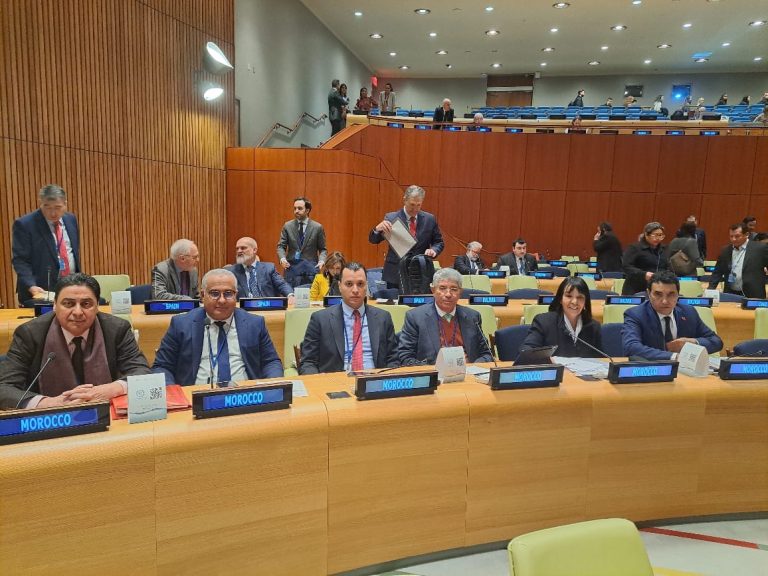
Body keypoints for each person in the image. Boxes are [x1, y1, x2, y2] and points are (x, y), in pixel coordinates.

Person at [0, 273, 150, 410]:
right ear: (54, 305)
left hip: (106, 415)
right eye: (68, 304)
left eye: (86, 304)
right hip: (50, 421)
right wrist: (48, 403)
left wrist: (110, 389)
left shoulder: (117, 329)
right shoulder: (30, 334)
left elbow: (142, 373)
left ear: (97, 306)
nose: (77, 312)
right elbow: (4, 388)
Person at [152, 268, 283, 385]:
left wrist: (272, 386)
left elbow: (271, 362)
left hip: (244, 396)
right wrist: (174, 394)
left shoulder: (255, 323)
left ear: (236, 295)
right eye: (214, 293)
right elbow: (162, 366)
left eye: (228, 293)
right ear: (203, 295)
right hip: (195, 396)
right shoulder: (181, 324)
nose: (222, 300)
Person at [299, 263, 399, 374]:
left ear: (366, 286)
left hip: (373, 380)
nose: (355, 290)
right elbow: (308, 362)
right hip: (335, 381)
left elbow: (393, 359)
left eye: (360, 284)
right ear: (340, 286)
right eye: (349, 284)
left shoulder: (383, 318)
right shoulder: (320, 319)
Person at [397, 267, 494, 366]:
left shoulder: (472, 317)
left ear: (460, 292)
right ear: (433, 290)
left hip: (468, 372)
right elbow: (405, 357)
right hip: (433, 372)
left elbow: (487, 354)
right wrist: (438, 367)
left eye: (454, 289)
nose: (448, 294)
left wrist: (472, 366)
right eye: (442, 288)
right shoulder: (415, 317)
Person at [622, 271, 723, 361]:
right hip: (652, 369)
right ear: (649, 294)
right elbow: (631, 347)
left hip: (685, 371)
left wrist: (693, 342)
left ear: (678, 294)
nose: (665, 301)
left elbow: (716, 341)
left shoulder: (688, 312)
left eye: (671, 294)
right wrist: (674, 357)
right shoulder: (635, 314)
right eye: (658, 294)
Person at [12, 184, 81, 307]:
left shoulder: (70, 219)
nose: (53, 213)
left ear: (65, 204)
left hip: (69, 287)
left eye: (57, 207)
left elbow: (73, 252)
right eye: (47, 207)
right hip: (40, 291)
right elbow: (20, 260)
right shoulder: (25, 224)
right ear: (40, 203)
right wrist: (31, 286)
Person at [369, 185, 444, 290]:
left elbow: (439, 242)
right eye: (412, 205)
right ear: (405, 200)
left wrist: (434, 250)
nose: (415, 209)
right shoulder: (391, 218)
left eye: (418, 205)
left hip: (421, 273)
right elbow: (373, 240)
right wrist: (377, 229)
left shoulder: (429, 219)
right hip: (395, 273)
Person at [520, 277, 603, 358]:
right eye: (569, 296)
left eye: (580, 297)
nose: (574, 302)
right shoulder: (543, 322)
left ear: (585, 301)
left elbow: (601, 359)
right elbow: (526, 351)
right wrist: (550, 361)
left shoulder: (593, 327)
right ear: (560, 299)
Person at [277, 196, 327, 287]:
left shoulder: (317, 227)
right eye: (295, 208)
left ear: (307, 210)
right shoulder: (287, 226)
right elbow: (281, 246)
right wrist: (282, 259)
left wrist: (321, 262)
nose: (296, 211)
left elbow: (323, 249)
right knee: (291, 295)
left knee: (310, 295)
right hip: (292, 269)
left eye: (299, 208)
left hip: (310, 270)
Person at [708, 223, 768, 298]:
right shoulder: (725, 250)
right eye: (731, 236)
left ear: (746, 234)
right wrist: (710, 289)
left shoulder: (760, 249)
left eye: (737, 236)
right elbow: (717, 272)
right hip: (731, 294)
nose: (733, 239)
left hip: (753, 294)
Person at [226, 237, 293, 299]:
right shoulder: (230, 271)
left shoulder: (269, 268)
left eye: (243, 248)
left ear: (254, 250)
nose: (239, 251)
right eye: (237, 248)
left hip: (267, 305)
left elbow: (281, 284)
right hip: (243, 307)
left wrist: (290, 295)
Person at [621, 222, 670, 295]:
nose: (658, 238)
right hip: (635, 287)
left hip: (657, 288)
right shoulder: (635, 248)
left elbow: (667, 266)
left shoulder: (664, 249)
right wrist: (644, 274)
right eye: (655, 235)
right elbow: (626, 266)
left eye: (660, 235)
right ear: (646, 235)